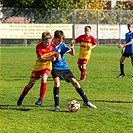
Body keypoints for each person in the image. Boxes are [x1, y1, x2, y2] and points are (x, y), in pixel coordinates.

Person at [51, 30, 97, 111]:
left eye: (61, 41)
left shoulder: (62, 45)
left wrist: (72, 48)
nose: (59, 42)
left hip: (64, 67)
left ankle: (86, 101)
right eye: (58, 40)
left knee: (75, 83)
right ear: (54, 38)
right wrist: (55, 54)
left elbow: (72, 53)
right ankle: (57, 105)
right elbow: (48, 53)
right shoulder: (50, 45)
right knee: (56, 83)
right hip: (55, 68)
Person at [17, 31, 58, 106]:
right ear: (42, 40)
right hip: (38, 67)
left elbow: (55, 52)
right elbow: (41, 59)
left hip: (47, 66)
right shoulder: (38, 46)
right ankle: (21, 98)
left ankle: (40, 99)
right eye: (46, 42)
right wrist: (51, 59)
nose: (48, 44)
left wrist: (57, 54)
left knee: (44, 78)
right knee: (30, 83)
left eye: (49, 42)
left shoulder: (52, 45)